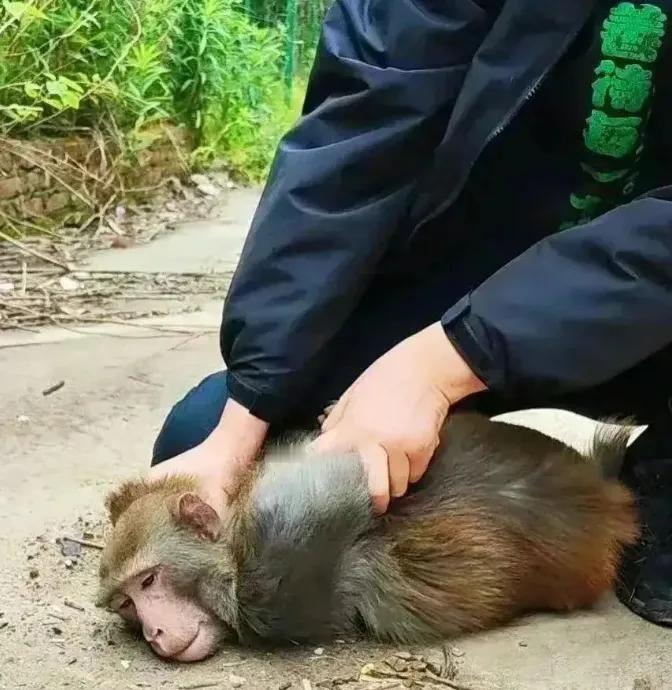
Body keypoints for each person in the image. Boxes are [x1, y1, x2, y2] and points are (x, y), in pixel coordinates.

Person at [150, 0, 672, 627]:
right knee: (209, 438)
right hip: (470, 278)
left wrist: (446, 363)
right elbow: (355, 133)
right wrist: (247, 413)